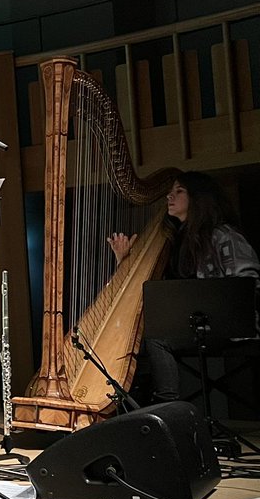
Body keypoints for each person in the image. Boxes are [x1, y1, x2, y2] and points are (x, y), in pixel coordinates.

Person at [110, 170, 259, 403]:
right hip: (196, 324)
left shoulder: (224, 235)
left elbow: (248, 285)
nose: (170, 196)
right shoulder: (175, 240)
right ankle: (140, 407)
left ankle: (166, 404)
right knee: (138, 336)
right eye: (170, 191)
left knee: (156, 339)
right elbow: (149, 288)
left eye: (179, 191)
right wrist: (124, 260)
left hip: (229, 326)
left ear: (198, 198)